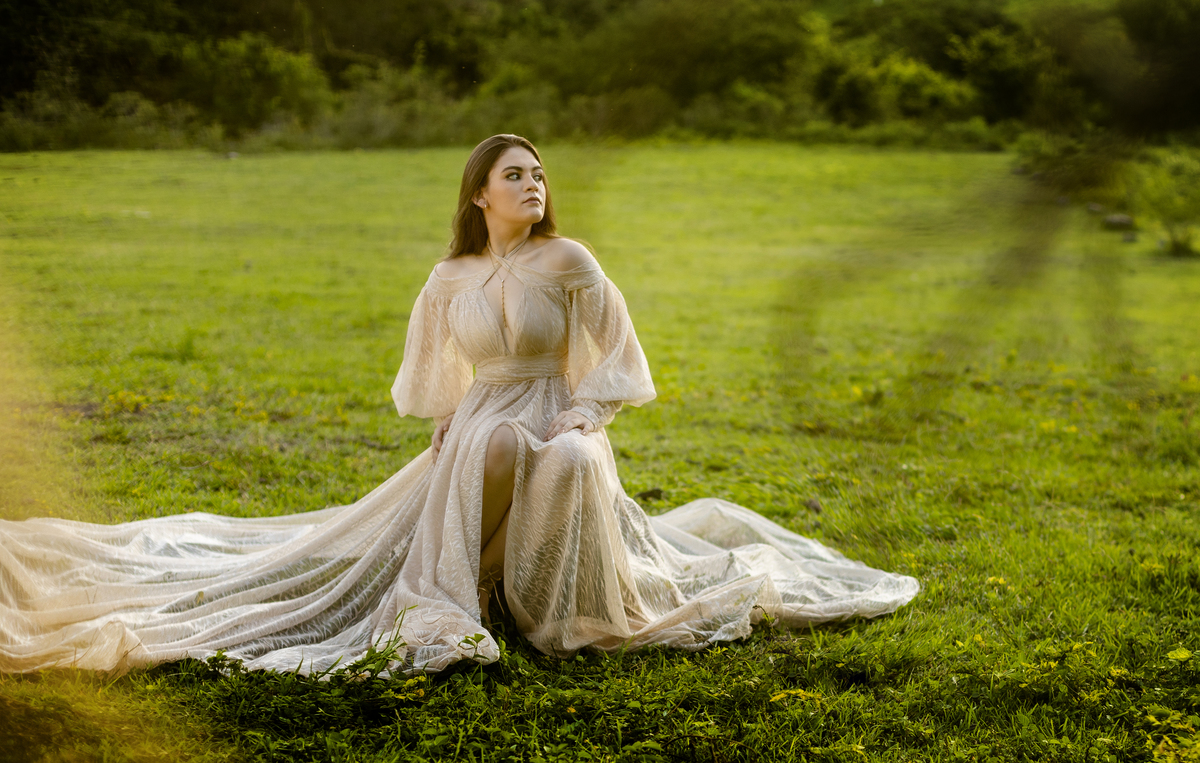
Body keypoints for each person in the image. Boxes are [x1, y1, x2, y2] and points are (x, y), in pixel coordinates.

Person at [0, 135, 918, 676]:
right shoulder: (450, 275)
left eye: (539, 174)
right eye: (514, 174)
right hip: (488, 414)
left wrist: (589, 413)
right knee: (494, 447)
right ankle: (468, 590)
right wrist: (452, 413)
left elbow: (620, 354)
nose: (533, 184)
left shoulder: (570, 259)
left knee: (560, 454)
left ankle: (527, 599)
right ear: (480, 193)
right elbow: (433, 371)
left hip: (560, 409)